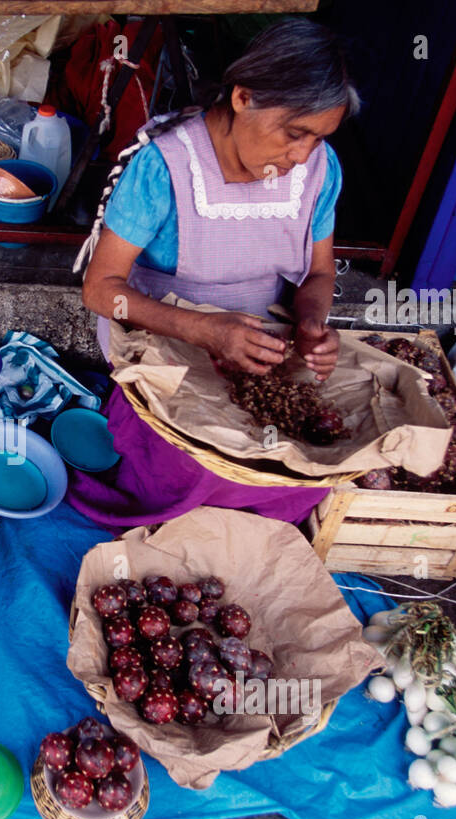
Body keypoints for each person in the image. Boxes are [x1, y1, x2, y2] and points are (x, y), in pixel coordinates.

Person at [68, 19, 359, 530]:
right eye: (295, 134)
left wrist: (312, 321)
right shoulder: (167, 165)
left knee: (302, 458)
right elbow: (100, 289)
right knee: (190, 465)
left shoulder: (318, 169)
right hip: (166, 344)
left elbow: (319, 272)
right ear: (244, 97)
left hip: (262, 342)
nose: (302, 155)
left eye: (318, 138)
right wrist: (205, 331)